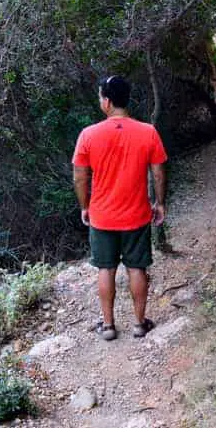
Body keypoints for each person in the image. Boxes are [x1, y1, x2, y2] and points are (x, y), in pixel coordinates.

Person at [73, 75, 168, 341]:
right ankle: (139, 324)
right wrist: (160, 203)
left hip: (102, 216)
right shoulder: (147, 132)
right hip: (136, 215)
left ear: (107, 101)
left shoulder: (88, 135)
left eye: (100, 97)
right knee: (137, 268)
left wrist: (85, 207)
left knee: (106, 268)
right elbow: (158, 173)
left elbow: (80, 176)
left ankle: (109, 326)